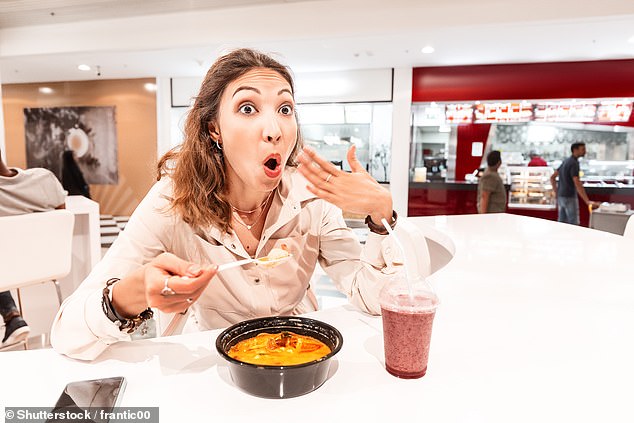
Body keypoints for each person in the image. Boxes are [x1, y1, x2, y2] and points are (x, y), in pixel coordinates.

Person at [51, 48, 401, 361]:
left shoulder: (310, 196)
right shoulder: (174, 199)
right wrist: (131, 295)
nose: (274, 128)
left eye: (285, 108)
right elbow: (67, 335)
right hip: (207, 361)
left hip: (298, 352)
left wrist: (381, 216)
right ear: (214, 129)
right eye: (248, 108)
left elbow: (375, 299)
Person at [0, 149, 67, 348]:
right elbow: (61, 217)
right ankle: (13, 317)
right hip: (50, 265)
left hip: (7, 273)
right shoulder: (44, 178)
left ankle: (12, 315)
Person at [550, 142, 599, 225]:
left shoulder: (566, 161)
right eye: (583, 149)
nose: (585, 151)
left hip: (561, 196)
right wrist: (587, 201)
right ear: (575, 150)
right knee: (573, 223)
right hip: (569, 196)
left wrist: (556, 192)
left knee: (561, 222)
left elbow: (552, 177)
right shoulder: (574, 163)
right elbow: (576, 181)